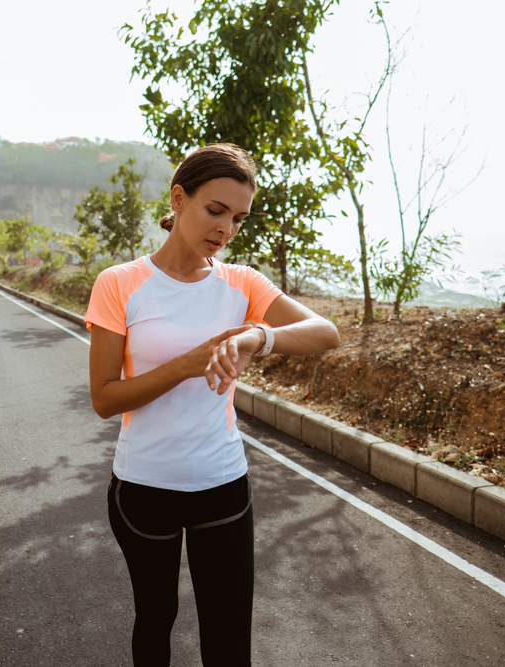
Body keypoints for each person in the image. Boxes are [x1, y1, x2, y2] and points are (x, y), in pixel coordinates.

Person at [85, 143, 341, 667]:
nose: (226, 230)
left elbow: (326, 333)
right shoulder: (120, 283)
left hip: (221, 485)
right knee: (155, 622)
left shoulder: (241, 283)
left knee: (228, 644)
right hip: (143, 487)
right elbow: (105, 399)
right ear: (179, 199)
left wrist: (255, 338)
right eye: (215, 210)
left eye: (239, 218)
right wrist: (188, 363)